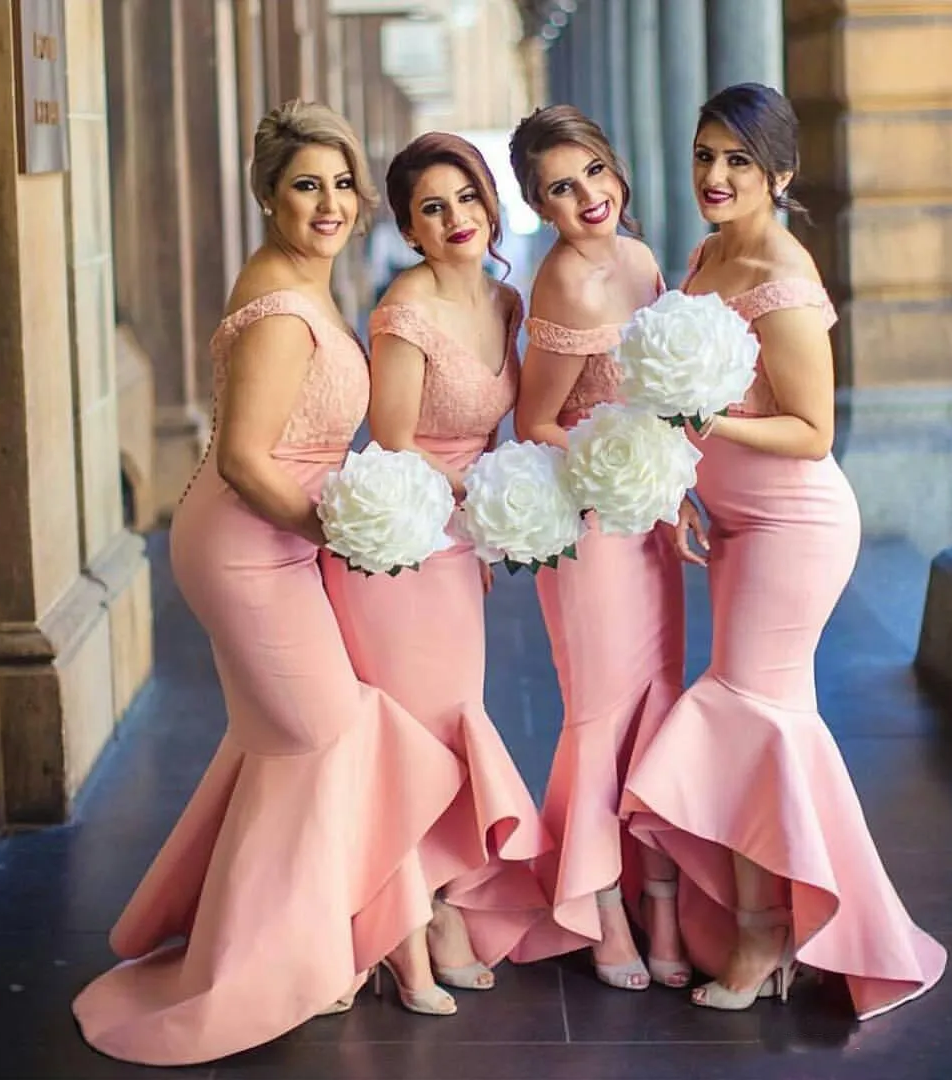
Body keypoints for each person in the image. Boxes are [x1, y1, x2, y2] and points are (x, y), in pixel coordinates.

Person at [71, 101, 467, 1066]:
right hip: (248, 544)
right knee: (330, 731)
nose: (328, 203)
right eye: (305, 186)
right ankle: (287, 960)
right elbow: (248, 460)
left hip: (278, 538)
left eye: (340, 184)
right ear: (267, 197)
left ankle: (315, 947)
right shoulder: (285, 311)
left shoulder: (306, 283)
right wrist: (341, 534)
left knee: (288, 746)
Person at [623, 82, 947, 1017]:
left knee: (745, 706)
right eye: (705, 155)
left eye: (738, 161)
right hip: (731, 519)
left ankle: (768, 931)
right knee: (758, 713)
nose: (716, 176)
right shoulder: (707, 252)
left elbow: (810, 430)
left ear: (781, 174)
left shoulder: (784, 275)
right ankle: (788, 923)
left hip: (795, 524)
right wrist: (681, 474)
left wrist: (706, 419)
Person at [322, 133, 550, 991]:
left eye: (467, 198)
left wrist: (497, 521)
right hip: (401, 540)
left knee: (456, 718)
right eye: (432, 207)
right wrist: (477, 496)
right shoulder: (403, 309)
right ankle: (409, 919)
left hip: (457, 547)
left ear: (491, 203)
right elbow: (392, 441)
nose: (456, 218)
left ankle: (442, 900)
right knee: (411, 738)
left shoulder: (505, 301)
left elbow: (503, 425)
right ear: (411, 230)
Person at [506, 106, 689, 992]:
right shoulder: (565, 285)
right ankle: (601, 900)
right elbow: (534, 418)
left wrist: (671, 484)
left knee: (658, 697)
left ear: (615, 171)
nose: (586, 198)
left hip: (652, 515)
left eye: (592, 175)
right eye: (560, 189)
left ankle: (661, 896)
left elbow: (659, 399)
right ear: (541, 207)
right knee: (600, 709)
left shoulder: (645, 261)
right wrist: (610, 469)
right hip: (589, 520)